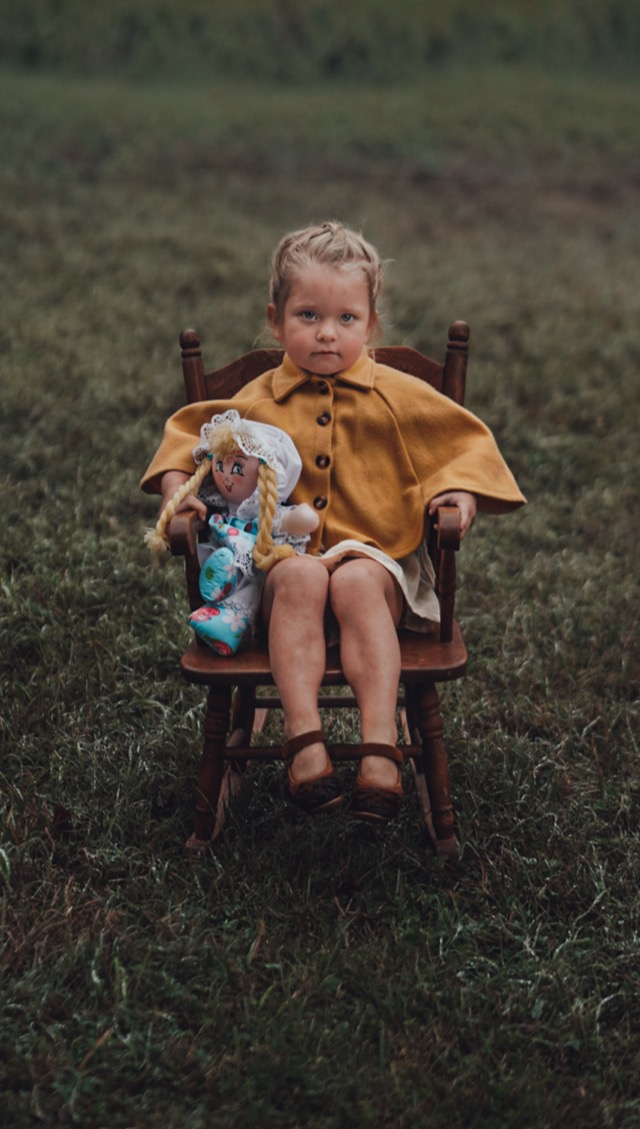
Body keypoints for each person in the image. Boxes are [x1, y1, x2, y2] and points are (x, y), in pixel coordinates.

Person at [142, 221, 525, 821]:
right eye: (307, 316)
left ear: (370, 324)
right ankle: (305, 741)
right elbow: (186, 436)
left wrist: (460, 497)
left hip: (374, 560)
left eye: (346, 319)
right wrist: (177, 491)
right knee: (296, 578)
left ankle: (379, 746)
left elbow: (466, 445)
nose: (327, 333)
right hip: (286, 564)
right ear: (276, 319)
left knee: (352, 580)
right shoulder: (257, 399)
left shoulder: (398, 393)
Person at [145, 410, 318, 655]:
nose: (225, 477)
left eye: (236, 468)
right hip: (226, 552)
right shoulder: (219, 511)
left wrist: (298, 519)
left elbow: (298, 521)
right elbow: (179, 438)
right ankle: (221, 584)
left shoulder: (265, 513)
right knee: (227, 563)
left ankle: (228, 624)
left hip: (263, 575)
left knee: (250, 594)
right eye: (219, 465)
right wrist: (175, 490)